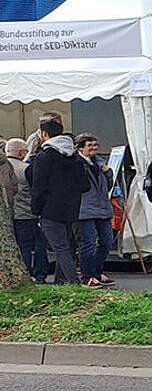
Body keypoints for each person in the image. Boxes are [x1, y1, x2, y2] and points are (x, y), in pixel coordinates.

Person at [29, 121, 90, 286]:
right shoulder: (74, 156)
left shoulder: (44, 156)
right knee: (66, 247)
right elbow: (85, 185)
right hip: (71, 208)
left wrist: (36, 208)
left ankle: (74, 283)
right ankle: (60, 283)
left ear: (44, 134)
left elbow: (39, 186)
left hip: (49, 208)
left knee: (60, 248)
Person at [74, 135, 115, 288]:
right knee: (88, 242)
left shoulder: (100, 163)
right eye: (90, 145)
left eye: (95, 144)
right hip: (85, 208)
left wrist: (108, 173)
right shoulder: (76, 164)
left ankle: (96, 272)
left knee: (107, 241)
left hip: (102, 207)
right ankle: (87, 276)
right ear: (80, 148)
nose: (94, 148)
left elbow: (108, 186)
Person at [0, 138, 43, 282]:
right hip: (25, 213)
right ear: (21, 153)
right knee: (28, 246)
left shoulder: (4, 166)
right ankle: (29, 274)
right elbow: (35, 191)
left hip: (7, 214)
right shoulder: (26, 169)